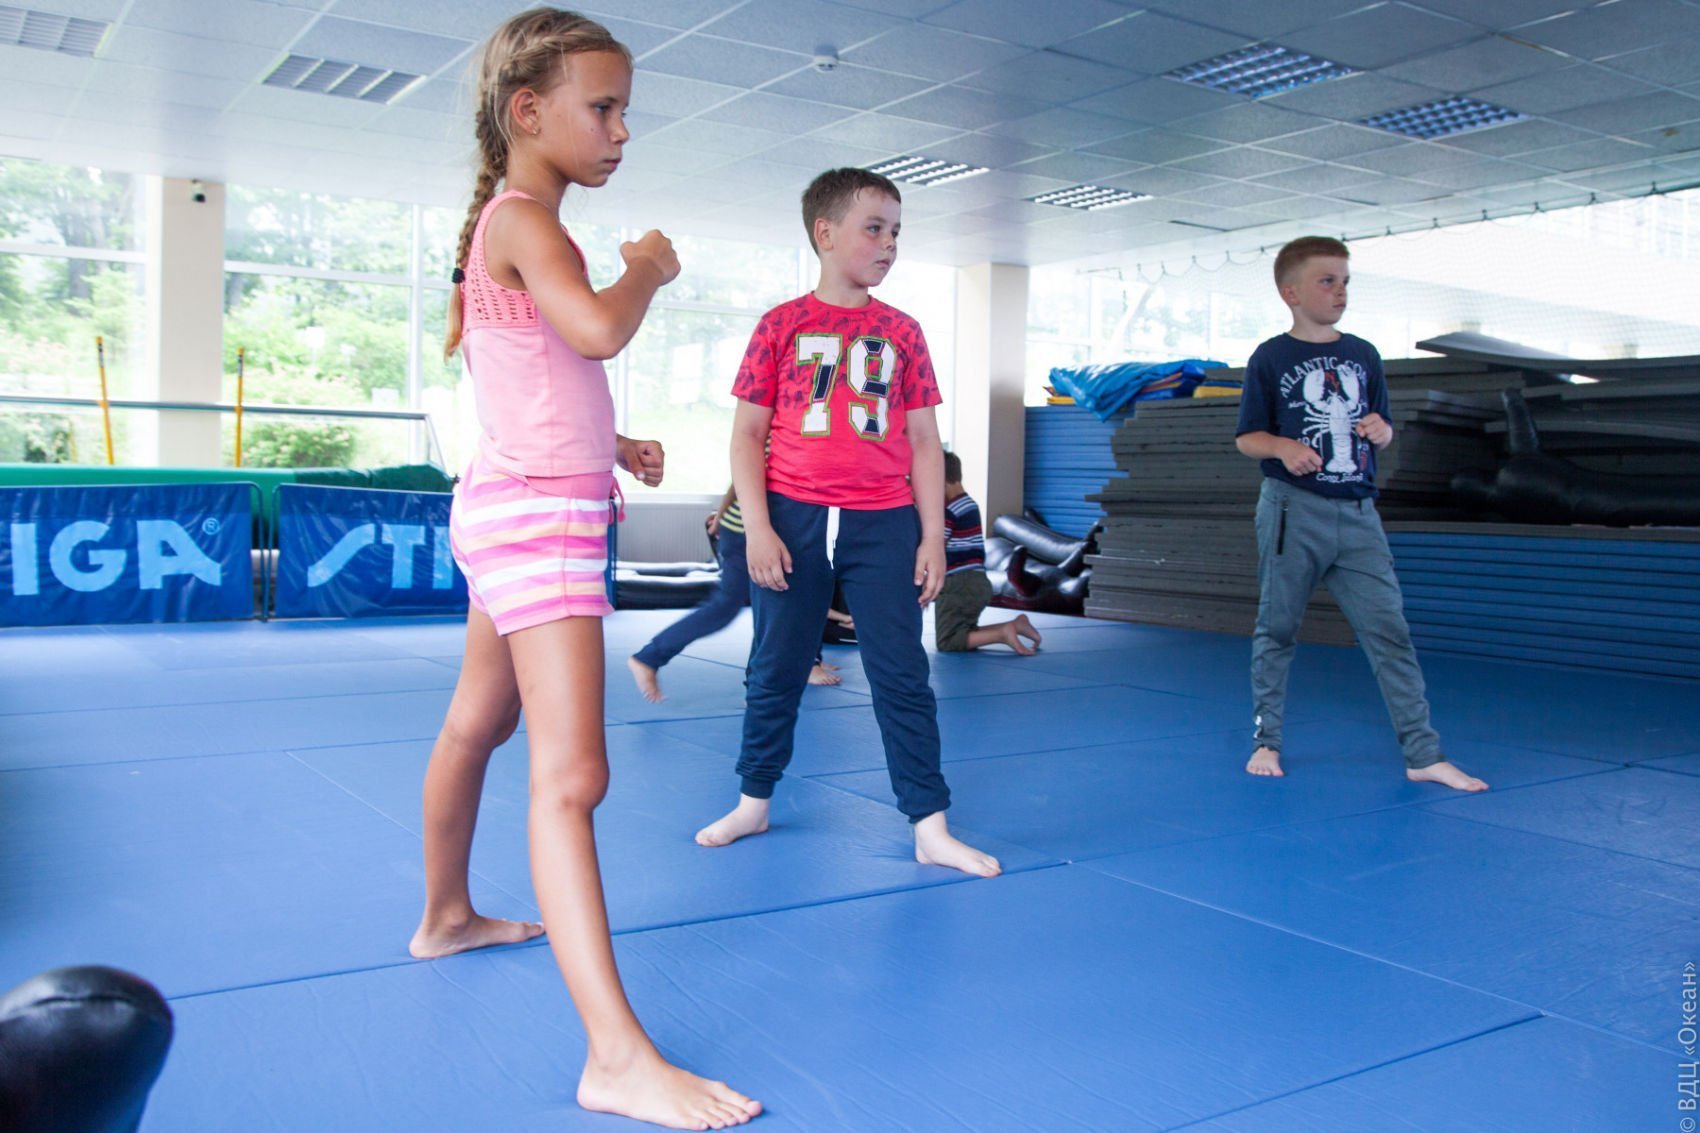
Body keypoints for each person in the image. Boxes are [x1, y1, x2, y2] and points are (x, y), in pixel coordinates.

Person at [409, 11, 760, 1129]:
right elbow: (598, 332)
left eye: (622, 111)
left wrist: (612, 443)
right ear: (528, 112)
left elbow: (531, 374)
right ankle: (614, 1056)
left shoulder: (510, 224)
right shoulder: (528, 221)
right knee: (573, 779)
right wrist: (645, 270)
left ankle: (446, 915)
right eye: (602, 109)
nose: (620, 131)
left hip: (507, 498)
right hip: (539, 524)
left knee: (477, 721)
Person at [693, 167, 1001, 878]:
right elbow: (747, 436)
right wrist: (758, 527)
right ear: (825, 234)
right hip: (792, 516)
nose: (889, 243)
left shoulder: (902, 332)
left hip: (882, 521)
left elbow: (925, 443)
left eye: (896, 231)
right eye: (874, 228)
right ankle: (753, 799)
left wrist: (932, 536)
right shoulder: (780, 325)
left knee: (901, 671)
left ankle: (930, 823)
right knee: (775, 665)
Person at [1234, 235, 1487, 793]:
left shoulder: (1364, 355)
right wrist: (1282, 447)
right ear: (1291, 292)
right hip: (1293, 510)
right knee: (1278, 627)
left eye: (1345, 281)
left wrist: (1381, 429)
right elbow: (1247, 438)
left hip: (1358, 513)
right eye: (1327, 281)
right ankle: (1266, 739)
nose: (1340, 291)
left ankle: (1423, 754)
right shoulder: (1270, 357)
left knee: (1389, 630)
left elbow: (1383, 428)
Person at [627, 486, 841, 702]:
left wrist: (721, 516)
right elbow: (743, 476)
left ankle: (768, 681)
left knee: (776, 603)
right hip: (751, 533)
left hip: (766, 530)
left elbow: (737, 481)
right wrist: (722, 517)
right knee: (729, 606)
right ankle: (650, 657)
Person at [937, 450, 1042, 655]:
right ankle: (1015, 625)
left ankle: (1002, 633)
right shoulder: (968, 504)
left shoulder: (949, 510)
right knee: (962, 631)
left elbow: (935, 544)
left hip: (958, 584)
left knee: (948, 640)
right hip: (975, 581)